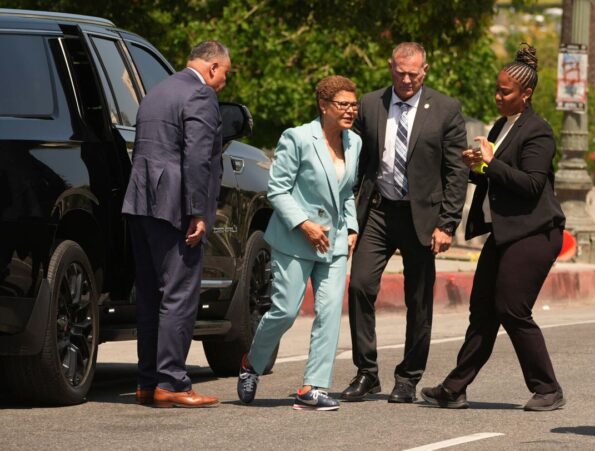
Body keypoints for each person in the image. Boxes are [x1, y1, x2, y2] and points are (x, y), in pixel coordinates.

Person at [420, 44, 566, 412]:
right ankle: (454, 388)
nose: (498, 97)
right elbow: (498, 176)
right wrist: (478, 167)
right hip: (506, 231)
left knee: (512, 307)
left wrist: (491, 162)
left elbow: (532, 184)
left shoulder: (538, 132)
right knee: (483, 309)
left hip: (536, 233)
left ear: (526, 94)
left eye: (506, 92)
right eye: (497, 90)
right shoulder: (502, 126)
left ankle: (548, 388)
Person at [340, 42, 468, 403]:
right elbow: (354, 158)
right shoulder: (369, 104)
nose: (407, 79)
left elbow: (456, 171)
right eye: (400, 72)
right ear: (390, 67)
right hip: (378, 211)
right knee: (360, 287)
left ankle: (408, 378)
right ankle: (367, 372)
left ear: (425, 70)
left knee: (419, 299)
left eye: (414, 73)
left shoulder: (445, 109)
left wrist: (448, 223)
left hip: (422, 216)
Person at [236, 76, 361, 411]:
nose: (350, 111)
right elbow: (277, 189)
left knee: (330, 312)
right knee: (285, 311)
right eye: (343, 105)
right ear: (324, 106)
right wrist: (305, 225)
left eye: (354, 105)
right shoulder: (298, 138)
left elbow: (346, 191)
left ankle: (313, 387)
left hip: (332, 242)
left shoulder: (355, 143)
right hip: (295, 239)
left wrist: (350, 227)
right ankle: (252, 363)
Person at [122, 41, 231, 408]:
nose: (223, 84)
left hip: (140, 202)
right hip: (174, 206)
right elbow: (198, 156)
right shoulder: (199, 94)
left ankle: (147, 381)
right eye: (225, 75)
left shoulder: (156, 91)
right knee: (180, 294)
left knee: (152, 294)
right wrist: (198, 211)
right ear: (213, 66)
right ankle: (173, 382)